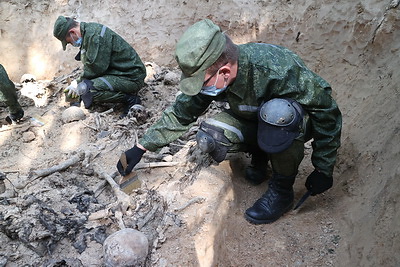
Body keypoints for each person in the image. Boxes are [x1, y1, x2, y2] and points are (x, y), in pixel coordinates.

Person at [117, 19, 342, 224]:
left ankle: (282, 192)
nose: (201, 88)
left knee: (277, 114)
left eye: (201, 82)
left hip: (290, 125)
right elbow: (181, 113)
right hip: (256, 120)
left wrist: (323, 167)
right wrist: (141, 147)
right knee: (212, 135)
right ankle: (261, 157)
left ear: (224, 71)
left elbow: (326, 111)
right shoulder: (211, 73)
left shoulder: (278, 70)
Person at [53, 16, 146, 117]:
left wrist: (77, 83)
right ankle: (80, 100)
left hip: (131, 77)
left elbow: (96, 69)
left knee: (87, 90)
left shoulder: (95, 36)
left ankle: (130, 99)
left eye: (69, 42)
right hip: (117, 73)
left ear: (73, 33)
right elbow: (91, 67)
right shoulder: (88, 34)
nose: (71, 44)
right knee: (80, 89)